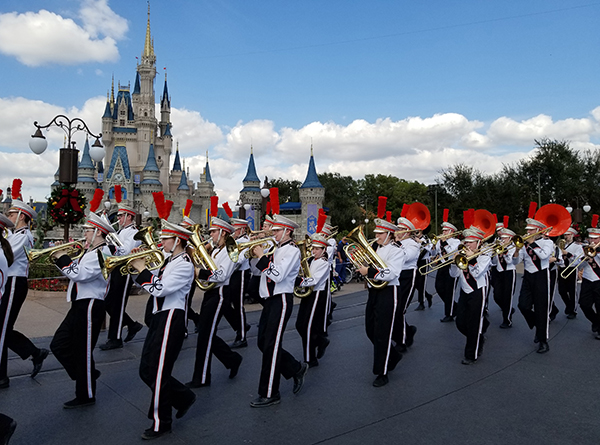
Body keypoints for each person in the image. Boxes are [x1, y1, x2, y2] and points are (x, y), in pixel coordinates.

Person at [130, 219, 196, 440]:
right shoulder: (168, 260)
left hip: (172, 317)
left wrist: (142, 269)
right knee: (146, 369)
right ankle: (183, 397)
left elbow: (160, 289)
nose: (161, 242)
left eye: (165, 238)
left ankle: (161, 422)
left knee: (158, 372)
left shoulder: (184, 264)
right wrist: (135, 265)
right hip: (160, 317)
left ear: (177, 240)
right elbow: (147, 282)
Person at [50, 212, 115, 408]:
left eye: (87, 230)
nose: (84, 233)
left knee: (83, 351)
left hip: (90, 305)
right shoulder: (90, 251)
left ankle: (85, 394)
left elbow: (80, 275)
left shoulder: (103, 253)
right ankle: (86, 374)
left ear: (97, 231)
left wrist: (62, 259)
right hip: (79, 303)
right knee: (58, 344)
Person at [250, 214, 308, 407]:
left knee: (271, 346)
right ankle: (294, 367)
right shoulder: (274, 248)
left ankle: (270, 393)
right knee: (262, 343)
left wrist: (261, 256)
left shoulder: (291, 251)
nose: (272, 233)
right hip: (269, 300)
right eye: (273, 230)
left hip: (281, 299)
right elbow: (258, 271)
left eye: (276, 230)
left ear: (287, 231)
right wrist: (254, 251)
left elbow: (278, 275)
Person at [188, 217, 243, 388]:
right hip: (211, 292)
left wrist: (198, 272)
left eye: (213, 231)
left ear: (223, 232)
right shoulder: (217, 251)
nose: (210, 234)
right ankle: (232, 359)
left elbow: (221, 275)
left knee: (205, 334)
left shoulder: (229, 251)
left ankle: (202, 377)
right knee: (205, 333)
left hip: (220, 293)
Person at [1, 202, 48, 389]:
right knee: (3, 328)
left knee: (2, 329)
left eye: (11, 213)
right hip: (9, 282)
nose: (8, 215)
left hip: (14, 282)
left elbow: (7, 256)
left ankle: (2, 376)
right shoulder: (13, 235)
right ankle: (35, 353)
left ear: (21, 216)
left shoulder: (23, 235)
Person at [357, 218, 403, 387]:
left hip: (389, 292)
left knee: (382, 333)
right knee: (370, 330)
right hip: (374, 291)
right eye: (376, 233)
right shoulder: (374, 248)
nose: (376, 237)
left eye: (380, 234)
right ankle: (392, 356)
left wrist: (368, 270)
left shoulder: (397, 250)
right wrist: (363, 265)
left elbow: (391, 273)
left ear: (389, 234)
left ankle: (382, 373)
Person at [100, 203, 143, 350]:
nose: (118, 218)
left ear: (129, 216)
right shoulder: (120, 231)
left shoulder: (133, 232)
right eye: (118, 216)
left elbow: (126, 251)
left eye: (120, 216)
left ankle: (115, 338)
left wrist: (111, 247)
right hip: (115, 269)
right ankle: (131, 325)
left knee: (117, 304)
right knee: (109, 303)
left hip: (124, 270)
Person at [449, 228, 491, 364]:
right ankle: (478, 338)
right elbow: (454, 275)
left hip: (478, 290)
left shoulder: (485, 255)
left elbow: (477, 272)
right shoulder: (462, 254)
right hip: (464, 290)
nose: (467, 245)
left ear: (479, 242)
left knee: (474, 323)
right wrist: (453, 263)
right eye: (466, 242)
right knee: (460, 322)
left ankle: (471, 355)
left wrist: (472, 258)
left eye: (471, 242)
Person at [513, 217, 554, 353]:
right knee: (522, 305)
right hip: (528, 275)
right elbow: (516, 262)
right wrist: (517, 250)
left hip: (541, 275)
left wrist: (531, 243)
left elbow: (543, 256)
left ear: (538, 230)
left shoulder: (547, 242)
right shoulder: (524, 244)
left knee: (541, 308)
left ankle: (543, 341)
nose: (528, 232)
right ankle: (537, 324)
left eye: (531, 230)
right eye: (527, 230)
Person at [295, 233, 331, 367]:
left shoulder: (323, 263)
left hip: (316, 295)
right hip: (308, 293)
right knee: (299, 325)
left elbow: (314, 280)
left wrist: (299, 281)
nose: (313, 251)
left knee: (308, 326)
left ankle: (311, 359)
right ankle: (320, 340)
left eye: (317, 249)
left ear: (324, 250)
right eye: (313, 248)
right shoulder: (311, 260)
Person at [223, 218, 251, 348]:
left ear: (242, 229)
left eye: (236, 230)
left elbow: (239, 260)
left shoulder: (245, 242)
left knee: (238, 305)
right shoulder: (234, 241)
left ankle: (242, 336)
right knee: (225, 303)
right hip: (232, 275)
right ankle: (240, 325)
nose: (234, 232)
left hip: (241, 274)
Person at [393, 217, 420, 351]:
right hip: (395, 276)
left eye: (401, 229)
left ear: (408, 232)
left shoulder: (412, 244)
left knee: (400, 310)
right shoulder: (394, 243)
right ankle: (408, 331)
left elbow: (405, 257)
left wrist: (397, 245)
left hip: (408, 276)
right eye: (397, 228)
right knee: (394, 309)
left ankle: (402, 341)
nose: (397, 231)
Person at [434, 221, 460, 322]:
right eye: (443, 231)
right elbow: (436, 252)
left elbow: (451, 252)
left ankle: (449, 314)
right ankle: (454, 307)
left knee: (450, 291)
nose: (443, 233)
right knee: (439, 287)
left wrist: (444, 242)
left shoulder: (456, 242)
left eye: (446, 231)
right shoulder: (439, 241)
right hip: (441, 266)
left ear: (451, 231)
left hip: (451, 266)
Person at [491, 228, 518, 328]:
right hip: (498, 271)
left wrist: (503, 251)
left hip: (509, 272)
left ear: (510, 238)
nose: (502, 240)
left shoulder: (513, 247)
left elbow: (510, 261)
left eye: (504, 238)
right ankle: (508, 309)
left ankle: (507, 320)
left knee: (507, 296)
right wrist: (494, 253)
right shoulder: (498, 246)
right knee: (497, 295)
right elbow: (494, 262)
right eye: (501, 238)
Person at [576, 228, 600, 338]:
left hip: (599, 280)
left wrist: (595, 255)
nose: (592, 240)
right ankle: (596, 321)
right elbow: (578, 266)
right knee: (584, 305)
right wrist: (585, 259)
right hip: (587, 279)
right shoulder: (584, 249)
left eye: (595, 238)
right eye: (591, 238)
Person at [557, 227, 581, 319]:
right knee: (561, 291)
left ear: (572, 235)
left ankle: (573, 310)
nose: (566, 236)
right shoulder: (561, 245)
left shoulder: (577, 246)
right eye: (565, 234)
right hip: (562, 268)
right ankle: (568, 305)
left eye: (568, 235)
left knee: (571, 291)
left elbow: (577, 259)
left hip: (571, 268)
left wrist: (567, 253)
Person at [412, 230, 434, 311]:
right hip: (415, 261)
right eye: (414, 232)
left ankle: (421, 303)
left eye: (417, 232)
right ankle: (428, 295)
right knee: (415, 283)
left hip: (423, 262)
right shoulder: (413, 239)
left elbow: (429, 249)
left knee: (422, 282)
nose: (415, 234)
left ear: (421, 231)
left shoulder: (426, 239)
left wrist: (420, 242)